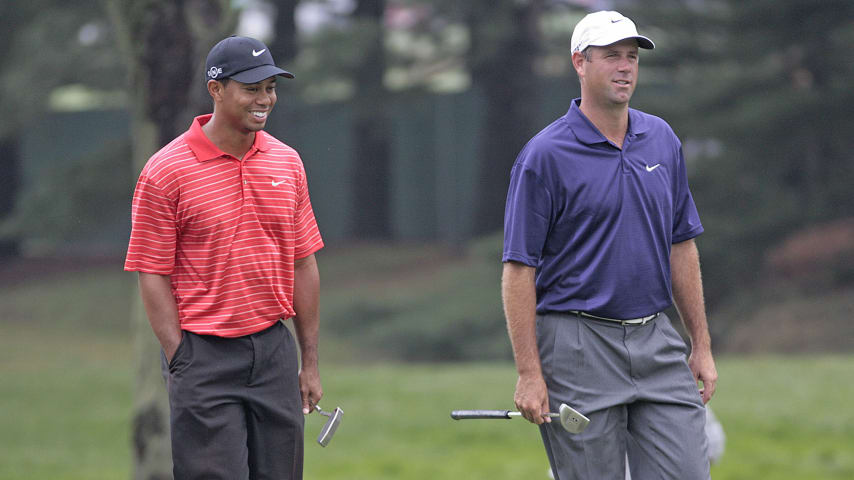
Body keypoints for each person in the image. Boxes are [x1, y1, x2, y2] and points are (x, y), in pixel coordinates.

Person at [502, 10, 717, 480]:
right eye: (611, 57)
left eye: (632, 58)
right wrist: (529, 373)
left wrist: (700, 343)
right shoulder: (544, 155)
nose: (625, 68)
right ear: (579, 62)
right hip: (577, 345)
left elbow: (682, 244)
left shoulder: (660, 138)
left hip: (657, 338)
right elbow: (519, 270)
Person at [124, 35, 324, 479]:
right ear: (216, 90)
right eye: (252, 89)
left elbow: (303, 262)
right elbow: (151, 272)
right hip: (204, 355)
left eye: (270, 87)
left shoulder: (287, 163)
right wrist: (181, 356)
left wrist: (308, 361)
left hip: (273, 350)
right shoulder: (165, 171)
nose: (265, 99)